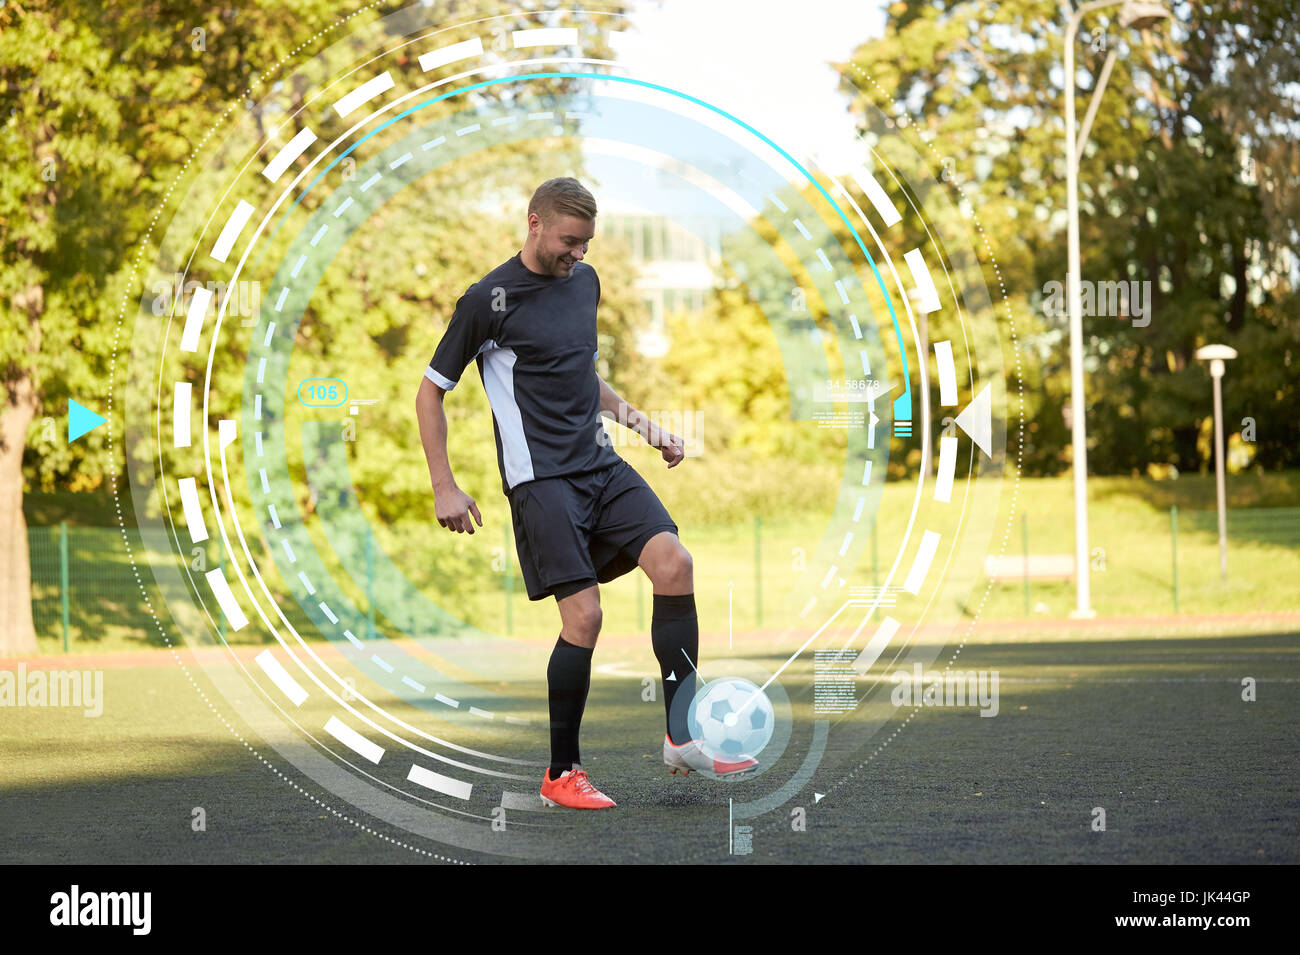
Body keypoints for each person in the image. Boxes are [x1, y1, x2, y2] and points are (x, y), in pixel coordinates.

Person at [415, 177, 757, 810]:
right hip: (541, 481)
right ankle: (560, 773)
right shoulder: (488, 301)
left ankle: (682, 731)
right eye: (570, 241)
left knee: (675, 564)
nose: (578, 254)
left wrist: (647, 428)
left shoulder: (586, 283)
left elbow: (582, 375)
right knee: (585, 616)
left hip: (600, 465)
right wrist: (445, 485)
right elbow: (431, 390)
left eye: (587, 244)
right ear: (534, 223)